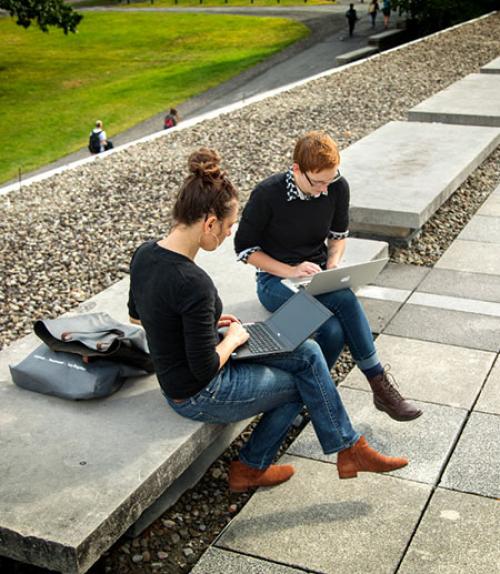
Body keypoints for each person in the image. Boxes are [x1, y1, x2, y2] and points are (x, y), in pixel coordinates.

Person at [128, 148, 409, 493]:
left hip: (186, 368)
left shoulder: (144, 254)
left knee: (307, 352)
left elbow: (138, 316)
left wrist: (207, 327)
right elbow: (203, 370)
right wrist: (230, 339)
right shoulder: (193, 282)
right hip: (198, 392)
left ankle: (347, 450)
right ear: (209, 223)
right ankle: (256, 465)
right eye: (229, 226)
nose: (230, 234)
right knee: (305, 383)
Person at [234, 131, 422, 423]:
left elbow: (337, 238)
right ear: (297, 169)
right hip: (275, 282)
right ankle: (379, 385)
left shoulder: (336, 187)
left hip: (318, 277)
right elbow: (245, 250)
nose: (324, 190)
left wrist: (333, 265)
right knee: (343, 301)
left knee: (334, 329)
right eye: (318, 182)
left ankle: (301, 397)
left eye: (330, 180)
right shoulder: (267, 194)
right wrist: (291, 271)